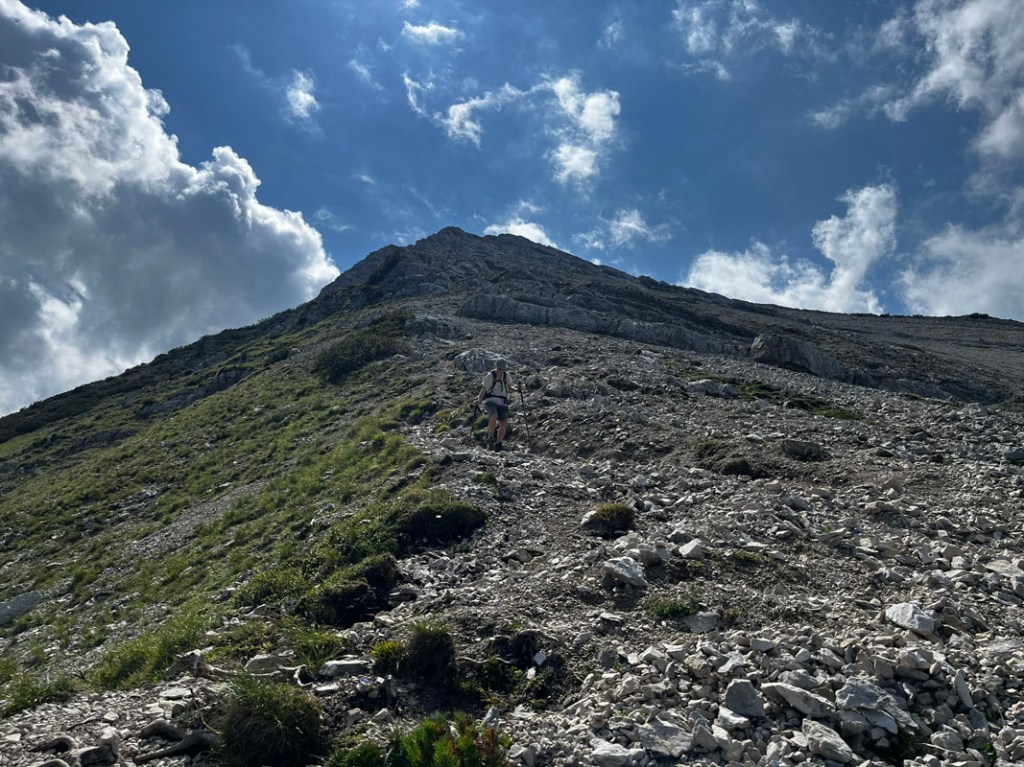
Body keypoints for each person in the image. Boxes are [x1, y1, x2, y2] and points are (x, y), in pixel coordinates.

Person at [478, 358, 512, 451]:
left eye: (502, 369)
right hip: (490, 401)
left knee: (504, 421)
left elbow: (509, 388)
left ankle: (499, 443)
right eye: (499, 369)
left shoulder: (507, 376)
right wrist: (479, 400)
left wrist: (517, 390)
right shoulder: (490, 376)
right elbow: (484, 389)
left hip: (502, 402)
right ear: (496, 367)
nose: (500, 371)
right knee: (494, 415)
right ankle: (490, 436)